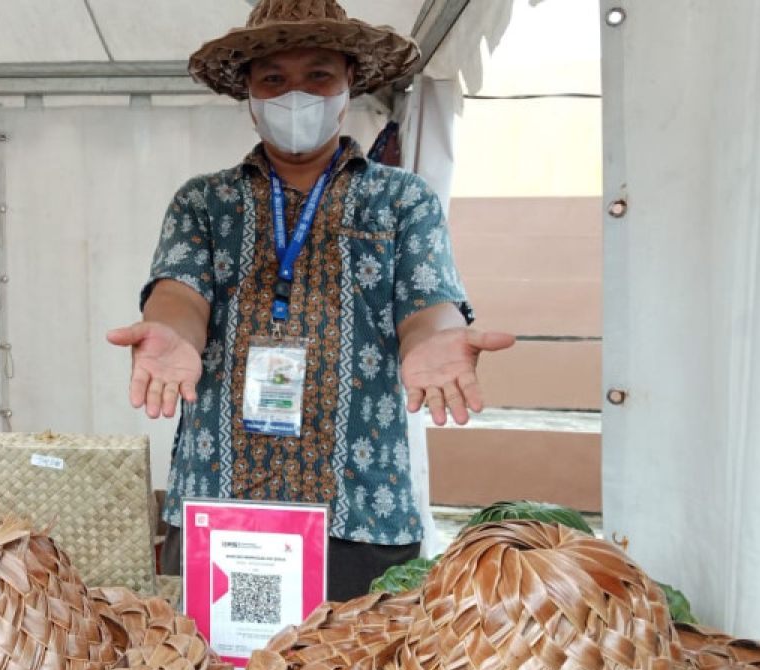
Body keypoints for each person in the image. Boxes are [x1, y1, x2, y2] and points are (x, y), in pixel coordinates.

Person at [107, 0, 515, 601]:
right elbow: (179, 294)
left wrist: (436, 340)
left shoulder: (402, 199)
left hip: (359, 506)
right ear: (249, 95)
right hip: (223, 498)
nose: (295, 93)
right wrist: (168, 332)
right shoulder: (204, 201)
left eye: (318, 74)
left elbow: (428, 305)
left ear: (348, 86)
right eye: (273, 78)